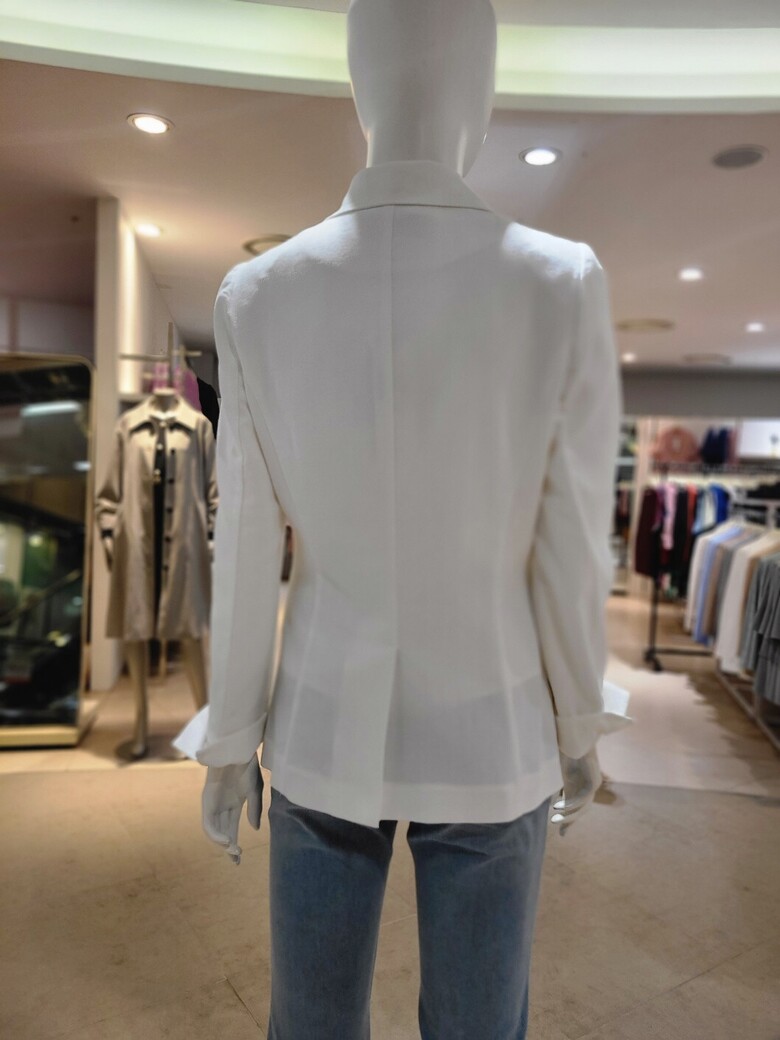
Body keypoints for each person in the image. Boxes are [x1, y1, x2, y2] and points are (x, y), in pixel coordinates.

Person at [175, 1, 630, 1036]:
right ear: (484, 91)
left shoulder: (256, 293)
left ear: (359, 88)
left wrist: (232, 737)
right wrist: (576, 720)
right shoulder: (561, 279)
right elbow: (568, 540)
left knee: (311, 1021)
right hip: (495, 716)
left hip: (321, 712)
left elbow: (244, 541)